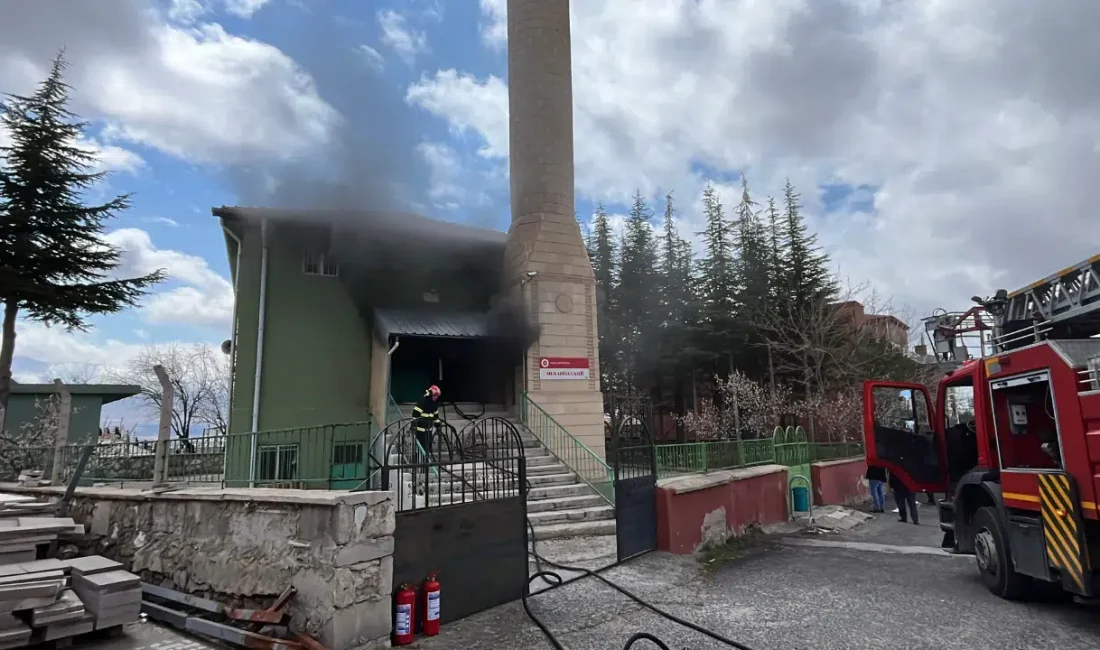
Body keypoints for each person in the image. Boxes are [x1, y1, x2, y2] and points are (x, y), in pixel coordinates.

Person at [412, 385, 442, 457]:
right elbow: (415, 414)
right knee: (421, 448)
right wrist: (413, 426)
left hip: (429, 430)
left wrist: (438, 426)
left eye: (437, 396)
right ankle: (421, 463)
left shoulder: (434, 404)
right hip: (420, 431)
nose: (435, 397)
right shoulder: (423, 402)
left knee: (428, 448)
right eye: (434, 395)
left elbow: (436, 417)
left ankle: (425, 463)